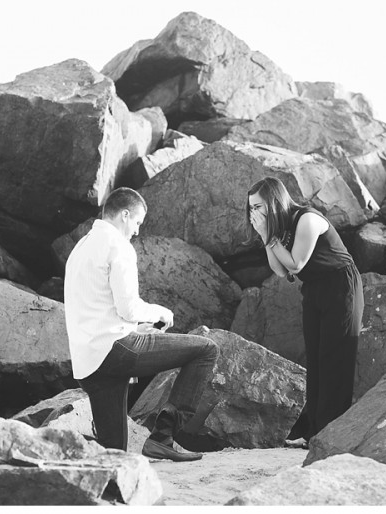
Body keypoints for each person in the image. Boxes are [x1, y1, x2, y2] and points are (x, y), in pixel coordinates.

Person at [64, 187, 218, 462]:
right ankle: (163, 437)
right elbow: (128, 307)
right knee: (206, 350)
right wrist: (159, 312)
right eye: (136, 222)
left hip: (88, 363)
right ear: (124, 215)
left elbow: (93, 307)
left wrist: (134, 330)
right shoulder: (117, 245)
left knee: (113, 456)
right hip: (115, 351)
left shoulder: (81, 247)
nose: (136, 231)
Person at [245, 177, 363, 446]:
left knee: (335, 361)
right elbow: (280, 270)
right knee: (317, 363)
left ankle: (330, 436)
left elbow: (296, 264)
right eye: (251, 208)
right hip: (314, 289)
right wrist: (266, 236)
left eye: (259, 207)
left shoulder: (307, 219)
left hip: (341, 286)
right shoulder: (279, 229)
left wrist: (269, 238)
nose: (254, 214)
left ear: (274, 202)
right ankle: (313, 434)